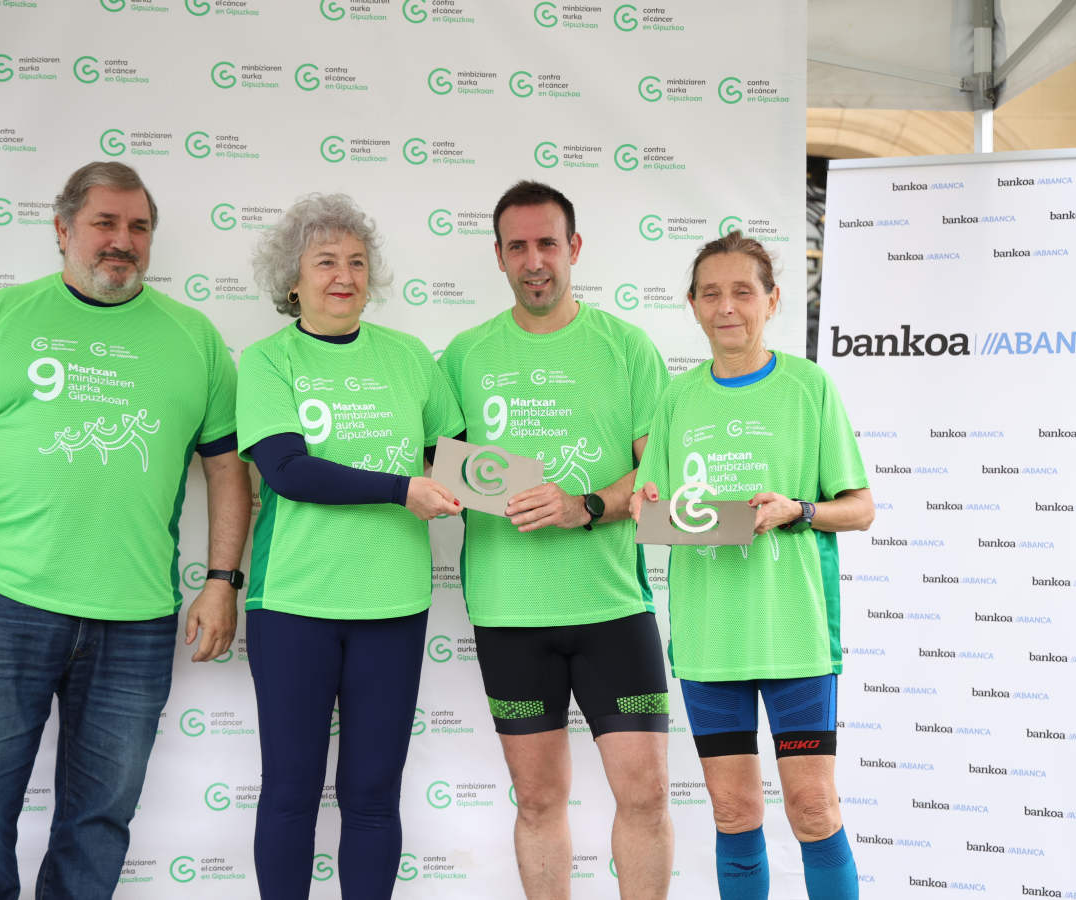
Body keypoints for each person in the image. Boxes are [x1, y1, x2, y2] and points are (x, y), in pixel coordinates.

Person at [0, 160, 251, 899]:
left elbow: (227, 471)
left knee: (100, 821)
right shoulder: (1, 317)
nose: (121, 241)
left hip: (136, 621)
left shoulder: (193, 338)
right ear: (62, 229)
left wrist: (222, 582)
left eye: (138, 227)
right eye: (104, 223)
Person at [438, 180, 673, 900]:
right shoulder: (464, 355)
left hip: (612, 610)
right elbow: (445, 470)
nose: (534, 259)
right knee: (537, 803)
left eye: (547, 243)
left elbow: (657, 482)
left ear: (573, 248)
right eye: (518, 247)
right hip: (511, 616)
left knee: (645, 797)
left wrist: (585, 506)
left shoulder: (626, 347)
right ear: (500, 259)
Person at [630, 232, 874, 899]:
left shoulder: (807, 386)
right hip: (711, 643)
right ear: (692, 304)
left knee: (814, 809)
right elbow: (650, 514)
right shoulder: (678, 401)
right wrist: (651, 508)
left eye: (743, 291)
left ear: (772, 300)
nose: (727, 306)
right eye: (711, 293)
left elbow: (860, 509)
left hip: (794, 636)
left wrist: (796, 509)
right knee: (735, 812)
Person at [237, 193, 465, 899]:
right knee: (292, 790)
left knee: (371, 794)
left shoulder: (409, 359)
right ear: (294, 280)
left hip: (393, 603)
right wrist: (402, 490)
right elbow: (287, 471)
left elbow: (457, 461)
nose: (345, 275)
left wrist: (548, 493)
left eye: (358, 262)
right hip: (295, 604)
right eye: (326, 261)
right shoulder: (269, 361)